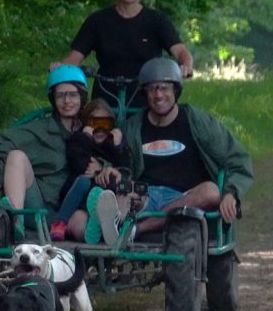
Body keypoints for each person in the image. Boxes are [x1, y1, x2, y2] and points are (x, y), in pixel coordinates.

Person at [96, 57, 253, 236]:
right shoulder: (133, 128)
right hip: (146, 194)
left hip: (187, 196)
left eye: (164, 87)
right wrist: (109, 169)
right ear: (144, 93)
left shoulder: (198, 122)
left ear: (175, 90)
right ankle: (113, 230)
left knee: (211, 191)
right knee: (123, 192)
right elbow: (116, 159)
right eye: (152, 88)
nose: (158, 95)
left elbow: (237, 158)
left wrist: (230, 193)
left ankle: (138, 229)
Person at [51, 0, 193, 110]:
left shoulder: (157, 20)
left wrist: (185, 65)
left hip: (148, 99)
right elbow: (75, 58)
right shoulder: (97, 21)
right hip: (106, 98)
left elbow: (180, 51)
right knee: (94, 130)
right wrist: (60, 67)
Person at [0, 65, 87, 236]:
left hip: (73, 212)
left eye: (73, 95)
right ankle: (14, 219)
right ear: (53, 99)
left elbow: (115, 158)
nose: (67, 101)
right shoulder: (39, 129)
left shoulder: (91, 130)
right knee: (16, 156)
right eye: (60, 96)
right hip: (40, 208)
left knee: (83, 224)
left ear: (82, 97)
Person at [50, 99, 131, 241]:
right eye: (94, 123)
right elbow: (80, 164)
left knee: (118, 185)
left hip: (105, 192)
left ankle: (109, 226)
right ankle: (60, 222)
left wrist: (118, 147)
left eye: (105, 124)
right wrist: (86, 137)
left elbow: (124, 169)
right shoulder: (79, 140)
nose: (99, 129)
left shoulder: (111, 146)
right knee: (83, 181)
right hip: (80, 195)